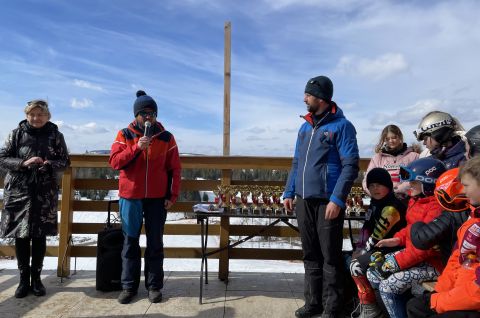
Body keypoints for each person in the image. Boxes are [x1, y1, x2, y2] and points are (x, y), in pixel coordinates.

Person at [283, 75, 360, 318]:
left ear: (322, 97)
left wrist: (337, 199)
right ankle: (313, 303)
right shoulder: (305, 127)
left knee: (330, 256)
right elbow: (297, 163)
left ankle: (332, 307)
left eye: (308, 94)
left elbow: (351, 165)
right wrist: (289, 190)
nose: (304, 98)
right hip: (304, 200)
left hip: (328, 201)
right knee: (310, 254)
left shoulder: (342, 126)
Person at [109, 90, 181, 304]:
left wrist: (172, 194)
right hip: (131, 197)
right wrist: (136, 148)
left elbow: (175, 169)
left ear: (156, 115)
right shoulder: (124, 134)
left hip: (157, 198)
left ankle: (154, 286)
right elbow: (114, 162)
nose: (147, 117)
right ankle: (129, 286)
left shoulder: (167, 137)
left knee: (155, 242)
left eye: (151, 113)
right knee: (130, 242)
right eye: (143, 113)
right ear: (136, 115)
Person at [0, 100, 70, 298]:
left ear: (48, 116)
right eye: (32, 114)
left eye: (40, 114)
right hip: (18, 192)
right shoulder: (16, 134)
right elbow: (2, 158)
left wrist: (49, 164)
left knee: (39, 235)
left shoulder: (56, 135)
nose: (36, 118)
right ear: (26, 115)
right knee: (21, 235)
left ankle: (37, 279)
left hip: (43, 192)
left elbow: (65, 161)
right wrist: (23, 162)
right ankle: (23, 280)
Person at [366, 157, 446, 318]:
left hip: (433, 263)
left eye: (414, 182)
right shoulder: (416, 200)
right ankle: (394, 310)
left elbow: (424, 248)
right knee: (372, 273)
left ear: (428, 184)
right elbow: (410, 229)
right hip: (413, 255)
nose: (410, 185)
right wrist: (397, 239)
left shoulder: (436, 208)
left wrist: (395, 263)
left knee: (388, 285)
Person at [406, 156, 480, 317]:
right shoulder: (472, 219)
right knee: (416, 305)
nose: (464, 192)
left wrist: (440, 301)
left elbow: (422, 239)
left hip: (472, 297)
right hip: (462, 290)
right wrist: (440, 290)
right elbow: (457, 259)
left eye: (466, 186)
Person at [350, 168, 407, 318]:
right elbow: (366, 227)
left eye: (379, 185)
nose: (375, 189)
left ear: (388, 186)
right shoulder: (375, 203)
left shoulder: (391, 207)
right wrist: (359, 247)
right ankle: (360, 303)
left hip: (395, 249)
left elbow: (377, 236)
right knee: (346, 258)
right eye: (372, 185)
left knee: (355, 265)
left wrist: (362, 253)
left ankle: (371, 308)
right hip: (380, 248)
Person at [410, 168, 471, 265]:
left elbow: (421, 239)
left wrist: (417, 224)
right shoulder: (472, 212)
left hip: (451, 266)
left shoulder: (451, 215)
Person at [362, 125, 419, 196]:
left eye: (394, 137)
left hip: (406, 198)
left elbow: (417, 177)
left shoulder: (413, 156)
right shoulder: (377, 158)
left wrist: (397, 190)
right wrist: (377, 193)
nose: (391, 141)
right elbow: (367, 180)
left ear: (400, 137)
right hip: (383, 198)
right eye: (387, 139)